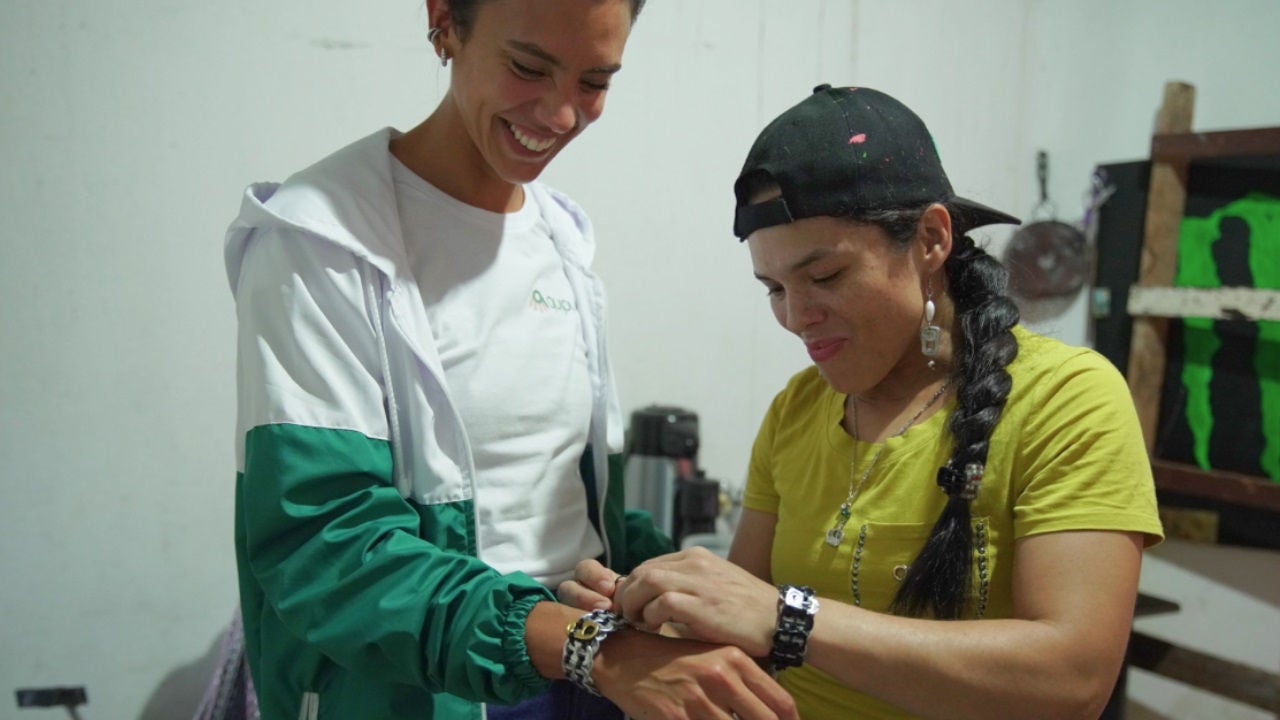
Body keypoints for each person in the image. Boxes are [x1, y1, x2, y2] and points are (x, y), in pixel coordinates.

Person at [223, 1, 798, 719]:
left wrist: (666, 583)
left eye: (595, 80)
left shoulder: (560, 238)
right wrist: (588, 647)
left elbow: (572, 511)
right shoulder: (318, 242)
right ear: (444, 20)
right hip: (433, 688)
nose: (559, 115)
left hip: (584, 673)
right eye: (528, 68)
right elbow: (327, 547)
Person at [562, 84, 1165, 720]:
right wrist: (647, 613)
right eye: (773, 288)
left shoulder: (1067, 400)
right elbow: (744, 630)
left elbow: (1072, 679)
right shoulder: (797, 410)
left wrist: (789, 618)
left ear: (932, 239)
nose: (796, 317)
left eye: (826, 277)